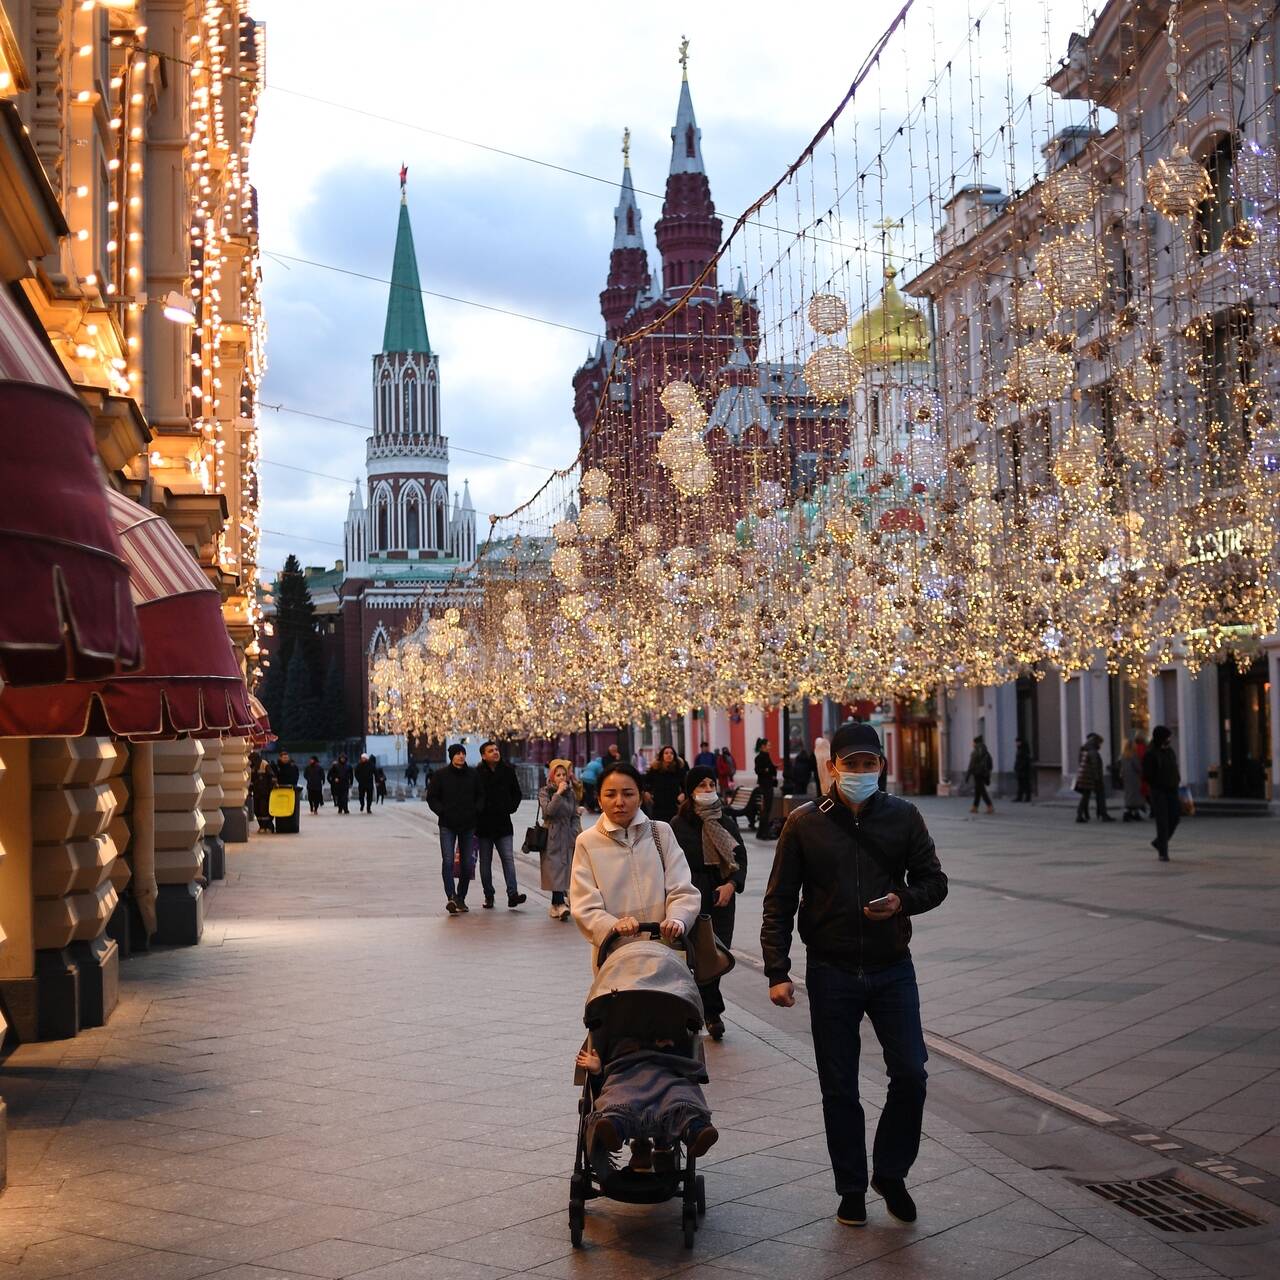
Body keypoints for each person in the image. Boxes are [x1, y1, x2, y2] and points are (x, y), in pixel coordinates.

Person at [761, 721, 948, 1229]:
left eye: (870, 764)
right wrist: (778, 970)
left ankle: (890, 1173)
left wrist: (902, 900)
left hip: (892, 968)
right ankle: (850, 1189)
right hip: (831, 969)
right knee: (839, 1086)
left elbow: (935, 882)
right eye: (852, 764)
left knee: (911, 1073)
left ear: (881, 766)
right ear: (833, 767)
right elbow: (778, 900)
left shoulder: (904, 817)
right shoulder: (804, 822)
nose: (861, 772)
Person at [570, 761, 702, 969]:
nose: (619, 801)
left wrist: (677, 920)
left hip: (666, 953)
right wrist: (613, 926)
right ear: (599, 799)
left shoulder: (661, 832)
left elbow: (683, 889)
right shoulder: (587, 842)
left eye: (628, 794)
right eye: (610, 794)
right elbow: (584, 905)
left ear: (641, 797)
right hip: (616, 957)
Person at [670, 766, 746, 1041]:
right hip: (692, 897)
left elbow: (740, 856)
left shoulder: (725, 822)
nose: (707, 789)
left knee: (715, 955)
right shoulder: (678, 825)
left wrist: (732, 884)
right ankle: (709, 1013)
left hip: (721, 899)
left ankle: (708, 1011)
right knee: (696, 956)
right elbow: (671, 865)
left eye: (710, 783)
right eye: (701, 785)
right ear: (690, 791)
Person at [428, 744, 482, 913]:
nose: (461, 756)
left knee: (466, 864)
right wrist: (442, 811)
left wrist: (475, 811)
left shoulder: (473, 775)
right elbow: (432, 797)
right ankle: (451, 896)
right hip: (447, 824)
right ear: (451, 756)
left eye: (463, 753)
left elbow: (481, 795)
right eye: (457, 753)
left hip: (468, 824)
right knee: (448, 861)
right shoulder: (440, 775)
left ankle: (461, 897)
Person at [475, 740, 527, 910]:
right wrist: (478, 811)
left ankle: (513, 894)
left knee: (508, 859)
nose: (495, 752)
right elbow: (472, 796)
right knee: (485, 863)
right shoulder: (477, 773)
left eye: (496, 749)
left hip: (503, 823)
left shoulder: (507, 771)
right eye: (491, 750)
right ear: (483, 755)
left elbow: (517, 793)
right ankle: (488, 895)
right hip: (483, 825)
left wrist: (510, 807)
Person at [539, 758, 582, 921]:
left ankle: (556, 905)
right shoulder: (545, 792)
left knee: (565, 870)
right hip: (552, 834)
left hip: (567, 835)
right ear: (552, 776)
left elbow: (574, 814)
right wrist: (558, 794)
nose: (562, 778)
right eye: (558, 775)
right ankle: (560, 904)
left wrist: (574, 831)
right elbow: (548, 812)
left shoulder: (571, 793)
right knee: (555, 870)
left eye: (564, 774)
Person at [1143, 726, 1180, 861]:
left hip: (1172, 789)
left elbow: (1174, 767)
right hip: (1159, 791)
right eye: (1167, 737)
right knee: (1162, 821)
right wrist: (1157, 783)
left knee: (1175, 818)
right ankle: (1163, 852)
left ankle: (1159, 842)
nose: (1169, 739)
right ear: (1161, 738)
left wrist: (1177, 780)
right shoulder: (1151, 753)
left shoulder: (1170, 751)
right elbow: (1147, 774)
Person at [642, 745, 687, 823]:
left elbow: (686, 785)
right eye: (666, 753)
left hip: (674, 804)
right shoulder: (655, 769)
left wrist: (683, 793)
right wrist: (646, 792)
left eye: (671, 753)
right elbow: (646, 782)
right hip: (658, 804)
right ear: (662, 756)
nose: (669, 755)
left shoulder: (679, 769)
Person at [1074, 733, 1112, 823]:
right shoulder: (1093, 752)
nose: (1100, 745)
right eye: (1100, 743)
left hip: (1084, 777)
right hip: (1091, 778)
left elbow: (1080, 763)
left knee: (1085, 796)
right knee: (1099, 795)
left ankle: (1082, 814)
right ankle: (1102, 814)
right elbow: (1095, 766)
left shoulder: (1084, 750)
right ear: (1096, 742)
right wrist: (1098, 779)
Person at [752, 737, 778, 840]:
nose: (770, 747)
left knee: (766, 810)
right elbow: (759, 770)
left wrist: (771, 769)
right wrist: (768, 770)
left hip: (768, 785)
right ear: (763, 746)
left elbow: (770, 768)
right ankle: (764, 833)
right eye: (768, 745)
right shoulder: (760, 757)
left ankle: (761, 833)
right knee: (765, 810)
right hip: (765, 786)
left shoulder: (766, 756)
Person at [963, 736, 994, 814]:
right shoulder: (985, 751)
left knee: (982, 791)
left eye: (973, 742)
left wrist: (967, 776)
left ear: (975, 742)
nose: (972, 744)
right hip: (983, 774)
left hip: (977, 773)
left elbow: (971, 765)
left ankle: (989, 806)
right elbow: (990, 763)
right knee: (978, 790)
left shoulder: (975, 752)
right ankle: (975, 807)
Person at [1120, 737, 1146, 821]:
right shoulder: (1133, 755)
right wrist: (1142, 771)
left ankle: (1134, 813)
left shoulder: (1123, 755)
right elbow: (1137, 767)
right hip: (1134, 778)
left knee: (1130, 795)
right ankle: (1128, 813)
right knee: (1135, 795)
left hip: (1127, 778)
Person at [251, 755, 277, 832]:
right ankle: (262, 826)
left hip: (265, 793)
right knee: (257, 810)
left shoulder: (264, 764)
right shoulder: (253, 766)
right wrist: (250, 790)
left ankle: (267, 826)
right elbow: (252, 781)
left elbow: (272, 776)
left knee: (264, 810)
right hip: (256, 792)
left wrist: (271, 788)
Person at [1013, 736, 1033, 803]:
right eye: (1016, 742)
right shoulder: (1019, 749)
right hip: (1020, 770)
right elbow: (1018, 760)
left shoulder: (1024, 750)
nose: (1016, 743)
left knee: (1026, 784)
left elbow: (1025, 761)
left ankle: (1027, 797)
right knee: (1020, 784)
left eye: (1017, 742)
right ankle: (1019, 797)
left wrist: (1020, 767)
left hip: (1024, 770)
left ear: (1021, 742)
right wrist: (1016, 767)